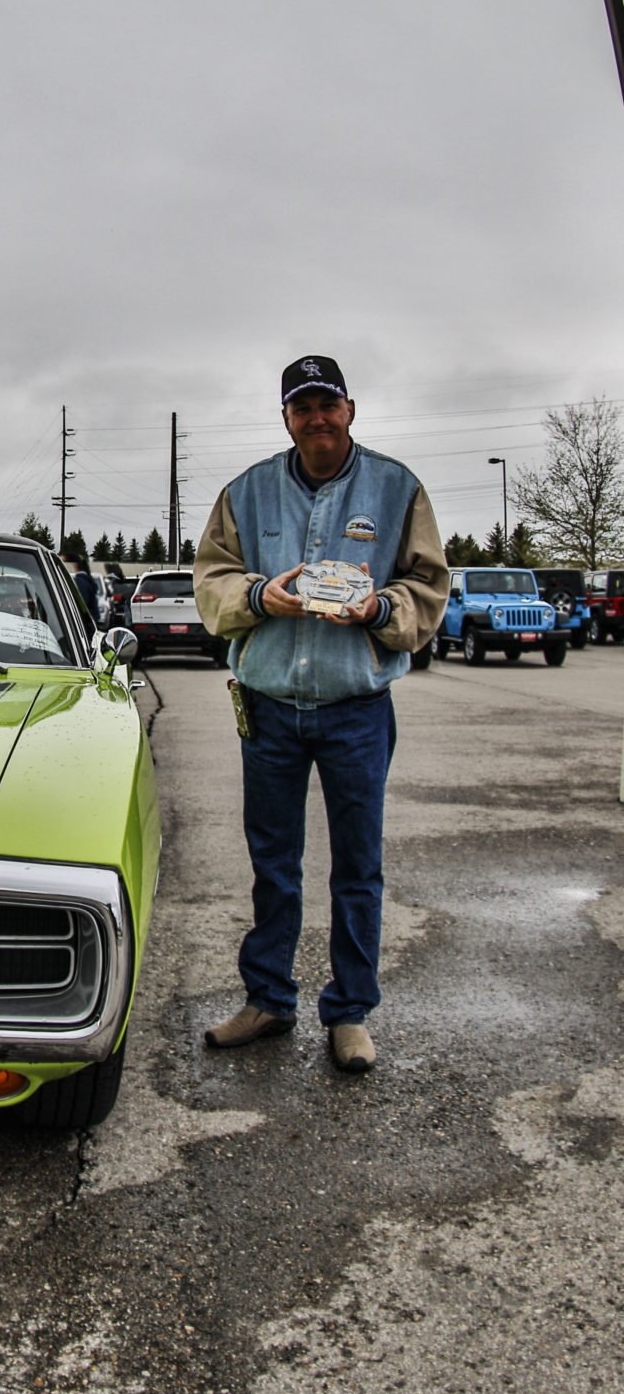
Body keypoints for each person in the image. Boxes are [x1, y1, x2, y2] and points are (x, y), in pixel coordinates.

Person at [193, 355, 449, 1074]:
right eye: (301, 407)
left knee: (357, 865)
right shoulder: (244, 493)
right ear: (285, 418)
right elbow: (211, 577)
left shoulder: (396, 488)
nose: (316, 418)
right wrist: (254, 597)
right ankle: (267, 1000)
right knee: (273, 862)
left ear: (349, 410)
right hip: (269, 707)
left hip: (355, 708)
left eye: (326, 405)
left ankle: (349, 1012)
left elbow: (427, 584)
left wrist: (380, 609)